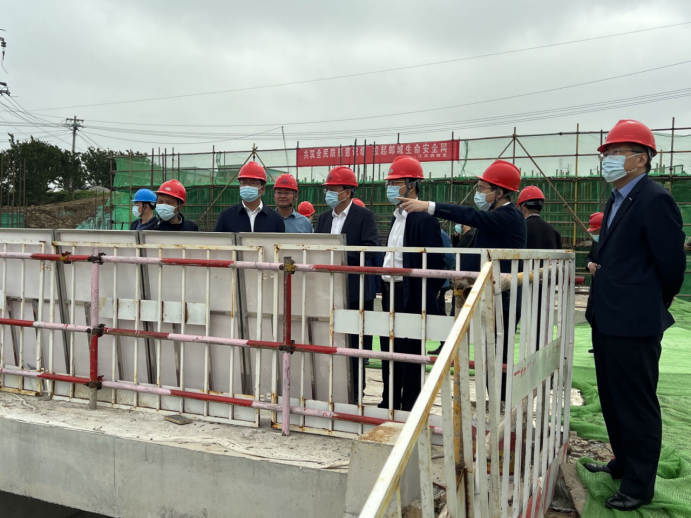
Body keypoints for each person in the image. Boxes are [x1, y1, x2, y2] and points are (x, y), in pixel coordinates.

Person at [584, 120, 685, 511]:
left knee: (636, 403)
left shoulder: (654, 199)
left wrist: (656, 299)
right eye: (606, 153)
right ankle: (623, 463)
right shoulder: (616, 198)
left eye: (615, 152)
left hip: (635, 320)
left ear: (641, 159)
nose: (607, 159)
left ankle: (639, 485)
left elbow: (671, 262)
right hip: (608, 316)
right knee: (612, 397)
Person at [398, 159, 527, 401]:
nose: (478, 193)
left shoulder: (509, 216)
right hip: (487, 295)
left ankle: (504, 404)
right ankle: (498, 403)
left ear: (500, 192)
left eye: (482, 189)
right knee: (488, 356)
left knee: (497, 357)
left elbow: (471, 216)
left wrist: (429, 206)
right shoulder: (495, 216)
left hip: (503, 299)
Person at [378, 156, 445, 411]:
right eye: (389, 182)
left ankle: (410, 407)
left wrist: (423, 293)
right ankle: (389, 401)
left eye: (396, 182)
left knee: (410, 353)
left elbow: (436, 262)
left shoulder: (424, 219)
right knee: (389, 350)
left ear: (412, 184)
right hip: (389, 291)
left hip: (410, 293)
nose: (390, 187)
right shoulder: (397, 217)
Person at [315, 166, 378, 403]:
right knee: (327, 343)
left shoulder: (364, 216)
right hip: (327, 292)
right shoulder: (324, 218)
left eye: (334, 188)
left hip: (354, 291)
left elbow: (371, 248)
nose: (329, 193)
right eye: (327, 189)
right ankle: (330, 390)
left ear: (348, 191)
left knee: (354, 347)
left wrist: (339, 256)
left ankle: (355, 395)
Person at [517, 185, 561, 345]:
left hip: (521, 282)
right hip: (545, 283)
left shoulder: (520, 228)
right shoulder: (552, 230)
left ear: (523, 207)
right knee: (541, 323)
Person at [214, 161, 285, 233]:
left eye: (253, 183)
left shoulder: (276, 219)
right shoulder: (226, 217)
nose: (247, 186)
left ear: (263, 188)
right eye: (244, 182)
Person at [428, 228, 456, 356]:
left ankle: (446, 344)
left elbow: (450, 258)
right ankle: (445, 344)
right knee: (438, 312)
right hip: (433, 280)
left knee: (439, 313)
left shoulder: (440, 234)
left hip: (438, 281)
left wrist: (442, 274)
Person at [585, 212, 603, 354]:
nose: (594, 235)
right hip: (596, 286)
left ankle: (603, 345)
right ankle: (597, 344)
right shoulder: (596, 242)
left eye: (596, 232)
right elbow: (589, 257)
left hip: (608, 287)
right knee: (591, 313)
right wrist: (590, 264)